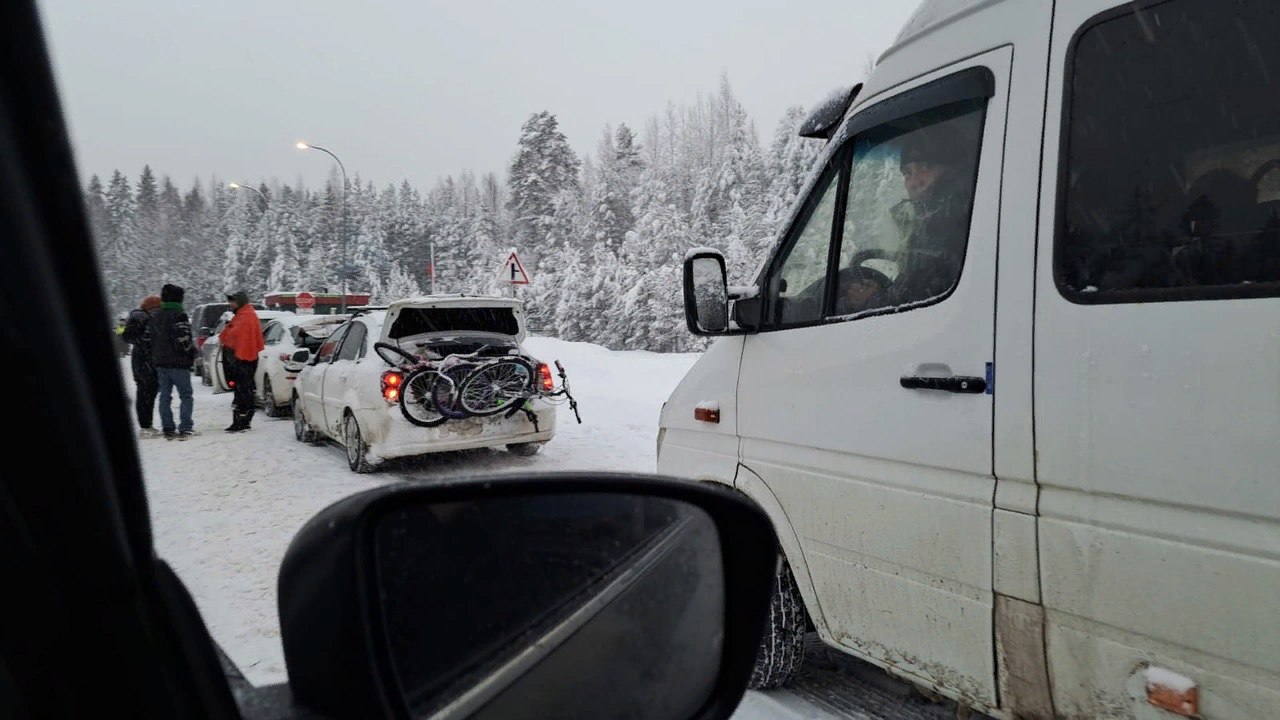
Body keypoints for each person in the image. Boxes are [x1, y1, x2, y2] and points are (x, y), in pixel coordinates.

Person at [885, 122, 974, 305]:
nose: (914, 182)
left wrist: (875, 300)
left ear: (954, 169)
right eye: (907, 173)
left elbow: (928, 295)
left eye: (925, 167)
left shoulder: (959, 219)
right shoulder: (928, 220)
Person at [149, 283, 198, 439]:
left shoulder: (156, 316)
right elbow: (184, 340)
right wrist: (192, 353)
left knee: (164, 396)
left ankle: (167, 427)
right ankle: (185, 427)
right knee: (186, 396)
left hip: (160, 363)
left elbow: (151, 340)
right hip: (179, 363)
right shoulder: (180, 315)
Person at [218, 290, 264, 433]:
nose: (230, 304)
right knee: (243, 389)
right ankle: (243, 419)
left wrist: (226, 332)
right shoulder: (244, 314)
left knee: (242, 390)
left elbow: (233, 335)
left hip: (244, 358)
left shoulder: (245, 316)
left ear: (240, 302)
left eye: (233, 302)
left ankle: (242, 420)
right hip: (245, 357)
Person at [121, 294, 162, 437]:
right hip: (144, 362)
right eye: (158, 307)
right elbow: (129, 337)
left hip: (145, 361)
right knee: (145, 393)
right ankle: (145, 426)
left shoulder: (142, 317)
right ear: (151, 308)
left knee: (148, 393)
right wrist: (146, 342)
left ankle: (147, 425)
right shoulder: (140, 318)